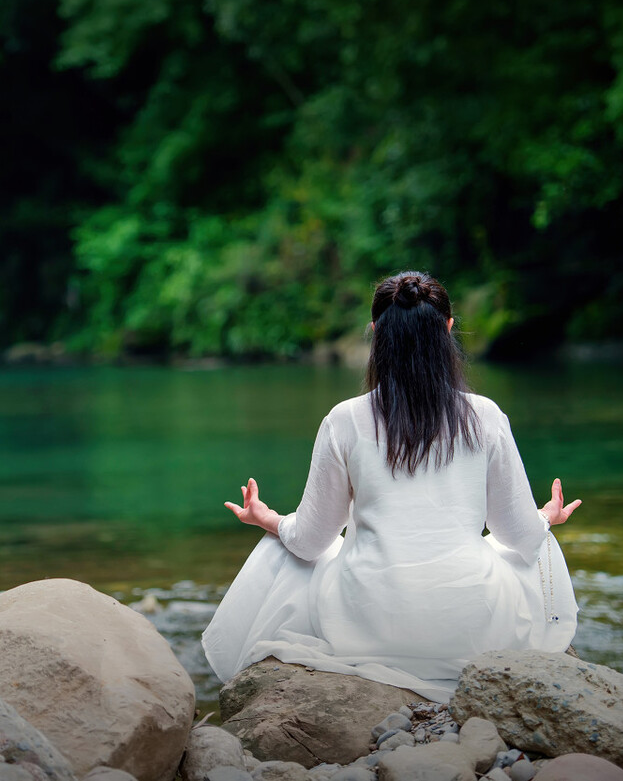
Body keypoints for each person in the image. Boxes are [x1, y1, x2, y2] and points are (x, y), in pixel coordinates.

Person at [201, 271, 581, 701]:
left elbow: (309, 542)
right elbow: (520, 536)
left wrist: (267, 518)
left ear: (376, 333)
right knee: (541, 543)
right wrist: (547, 518)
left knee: (282, 544)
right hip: (471, 624)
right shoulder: (485, 416)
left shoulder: (344, 419)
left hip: (364, 625)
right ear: (449, 329)